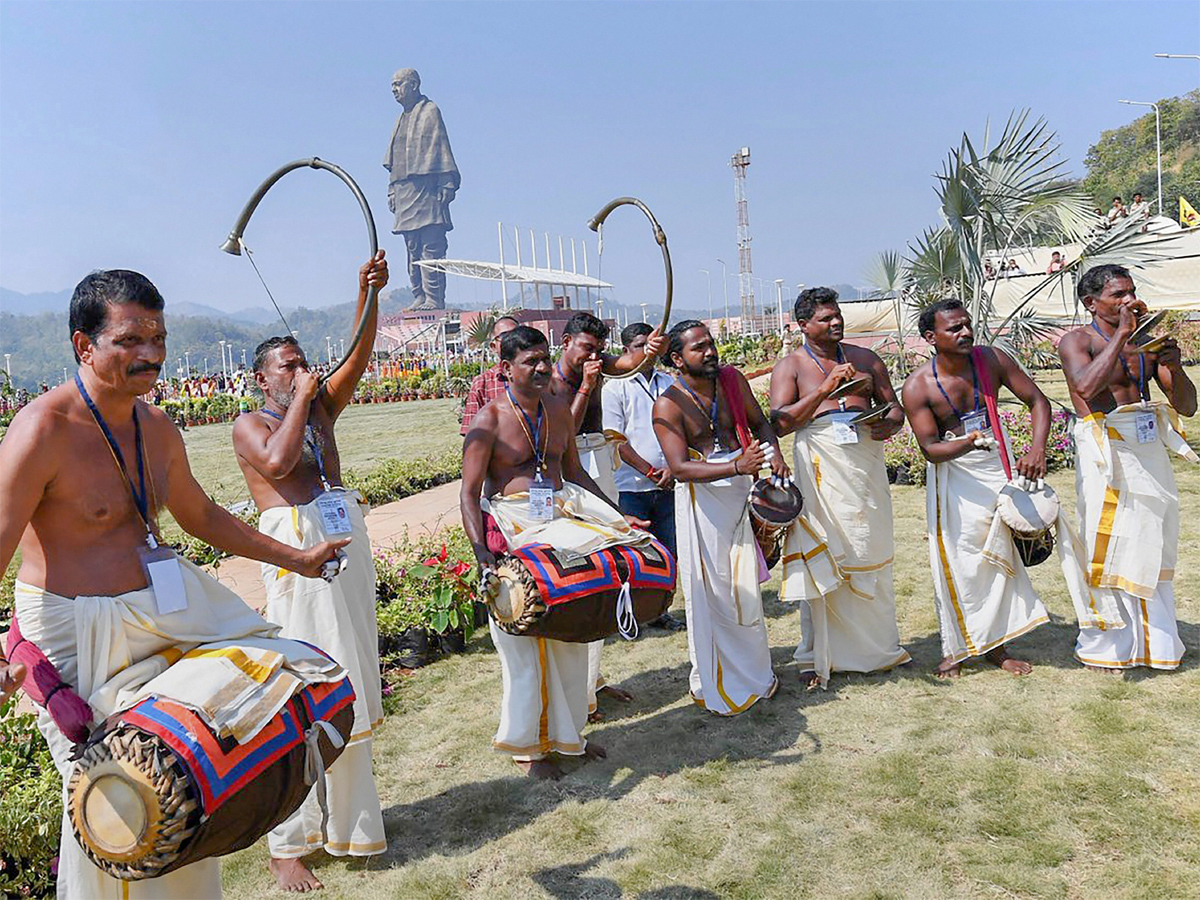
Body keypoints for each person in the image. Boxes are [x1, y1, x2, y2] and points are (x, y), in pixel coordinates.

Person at [0, 270, 349, 899]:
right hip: (74, 634)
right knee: (119, 798)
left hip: (165, 612)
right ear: (84, 346)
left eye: (158, 337)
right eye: (131, 340)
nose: (152, 354)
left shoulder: (157, 427)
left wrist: (294, 558)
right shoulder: (41, 430)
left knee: (196, 767)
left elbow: (202, 516)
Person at [232, 253, 389, 892]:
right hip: (295, 552)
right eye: (286, 367)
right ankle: (286, 844)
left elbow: (358, 353)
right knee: (304, 688)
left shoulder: (320, 407)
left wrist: (365, 293)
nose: (302, 372)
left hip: (342, 541)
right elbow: (278, 461)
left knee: (350, 679)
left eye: (302, 362)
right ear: (262, 380)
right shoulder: (252, 424)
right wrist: (302, 399)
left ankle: (352, 825)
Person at [460, 326, 652, 779]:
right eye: (531, 361)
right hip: (514, 526)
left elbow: (576, 476)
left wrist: (618, 520)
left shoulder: (558, 409)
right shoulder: (488, 420)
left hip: (563, 521)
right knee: (527, 645)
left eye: (545, 358)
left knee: (574, 633)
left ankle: (570, 738)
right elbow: (469, 494)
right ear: (506, 369)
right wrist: (482, 554)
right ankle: (530, 751)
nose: (543, 367)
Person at [1056, 265, 1197, 673]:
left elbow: (1187, 406)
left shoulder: (1147, 341)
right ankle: (1111, 646)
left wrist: (1174, 363)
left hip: (1148, 445)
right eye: (1117, 295)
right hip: (1106, 448)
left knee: (1154, 535)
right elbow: (1084, 389)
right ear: (1091, 302)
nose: (1128, 301)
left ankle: (1158, 643)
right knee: (1113, 540)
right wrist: (1121, 336)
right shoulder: (1077, 341)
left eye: (1131, 292)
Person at [901, 299, 1052, 678]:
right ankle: (958, 648)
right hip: (955, 475)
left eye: (967, 324)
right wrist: (970, 442)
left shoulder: (991, 360)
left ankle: (997, 647)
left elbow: (1038, 401)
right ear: (930, 337)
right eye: (954, 328)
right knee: (962, 559)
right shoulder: (918, 385)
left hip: (999, 464)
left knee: (1003, 554)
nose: (966, 332)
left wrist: (1036, 449)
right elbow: (931, 450)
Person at [769, 288, 910, 689]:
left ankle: (881, 650)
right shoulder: (791, 366)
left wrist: (890, 422)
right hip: (821, 469)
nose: (835, 323)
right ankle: (818, 656)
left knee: (871, 547)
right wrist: (825, 389)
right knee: (828, 553)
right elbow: (780, 423)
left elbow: (894, 408)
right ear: (803, 325)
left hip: (864, 466)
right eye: (825, 318)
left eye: (837, 316)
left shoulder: (866, 359)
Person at [653, 321, 785, 714]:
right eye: (699, 348)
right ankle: (721, 679)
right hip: (703, 502)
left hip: (742, 489)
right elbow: (678, 468)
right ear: (678, 358)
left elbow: (761, 423)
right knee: (715, 593)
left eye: (711, 344)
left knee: (745, 585)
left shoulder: (732, 380)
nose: (710, 352)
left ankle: (757, 673)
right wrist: (736, 467)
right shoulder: (668, 405)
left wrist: (772, 452)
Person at [550, 311, 665, 718]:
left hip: (599, 461)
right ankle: (580, 691)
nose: (593, 356)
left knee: (605, 568)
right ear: (566, 344)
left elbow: (630, 363)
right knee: (586, 571)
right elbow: (565, 432)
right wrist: (586, 385)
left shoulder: (598, 366)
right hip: (573, 470)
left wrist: (648, 353)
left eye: (598, 350)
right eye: (586, 348)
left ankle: (592, 680)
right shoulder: (551, 380)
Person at [601, 322, 685, 631]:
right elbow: (615, 440)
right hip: (633, 486)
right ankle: (634, 613)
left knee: (669, 552)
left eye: (651, 344)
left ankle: (661, 611)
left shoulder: (668, 382)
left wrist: (673, 469)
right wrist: (649, 471)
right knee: (637, 554)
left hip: (669, 482)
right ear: (626, 351)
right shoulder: (615, 387)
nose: (647, 351)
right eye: (639, 346)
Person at [384, 68, 461, 311]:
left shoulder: (430, 111)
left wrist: (447, 182)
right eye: (392, 86)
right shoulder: (400, 119)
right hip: (405, 190)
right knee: (411, 247)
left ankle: (434, 299)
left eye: (399, 84)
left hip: (428, 190)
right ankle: (419, 294)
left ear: (414, 84)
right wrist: (392, 190)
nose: (395, 90)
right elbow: (394, 160)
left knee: (432, 246)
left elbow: (441, 147)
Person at [460, 314, 520, 434]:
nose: (512, 340)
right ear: (493, 346)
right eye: (505, 336)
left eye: (517, 334)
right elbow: (471, 433)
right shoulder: (482, 384)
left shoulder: (538, 377)